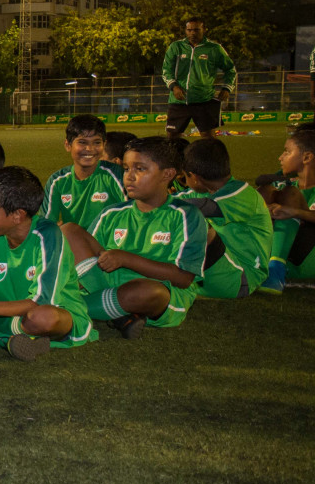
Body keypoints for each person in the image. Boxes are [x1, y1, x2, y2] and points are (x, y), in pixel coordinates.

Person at [61, 136, 207, 339]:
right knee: (69, 230)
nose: (129, 176)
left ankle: (68, 310)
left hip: (158, 288)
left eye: (140, 169)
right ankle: (115, 313)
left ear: (168, 174)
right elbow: (87, 259)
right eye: (127, 168)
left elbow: (183, 278)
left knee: (148, 293)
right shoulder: (112, 212)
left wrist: (126, 259)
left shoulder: (185, 215)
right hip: (109, 282)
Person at [0, 167, 96, 360]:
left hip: (50, 312)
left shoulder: (47, 235)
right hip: (3, 311)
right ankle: (10, 342)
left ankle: (4, 335)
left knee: (43, 318)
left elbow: (42, 300)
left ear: (18, 215)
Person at [172, 138, 274, 299]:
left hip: (241, 278)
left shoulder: (243, 193)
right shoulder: (201, 192)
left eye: (185, 177)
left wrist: (158, 203)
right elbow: (175, 199)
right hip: (216, 274)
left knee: (191, 220)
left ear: (195, 177)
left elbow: (207, 207)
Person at [40, 115, 127, 232]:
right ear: (68, 145)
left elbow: (133, 213)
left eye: (96, 142)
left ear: (104, 145)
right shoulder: (58, 181)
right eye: (82, 142)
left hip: (108, 245)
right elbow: (46, 224)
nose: (89, 148)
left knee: (67, 229)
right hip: (75, 245)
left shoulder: (115, 175)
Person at [161, 16, 236, 139]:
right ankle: (176, 158)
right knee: (172, 137)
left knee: (208, 137)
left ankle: (209, 158)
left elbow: (230, 70)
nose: (192, 33)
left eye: (196, 30)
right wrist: (174, 87)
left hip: (204, 100)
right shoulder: (176, 47)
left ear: (204, 29)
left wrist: (227, 88)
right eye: (189, 30)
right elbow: (166, 70)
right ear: (185, 31)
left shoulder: (215, 49)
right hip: (178, 100)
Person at [259, 127, 315, 292]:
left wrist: (293, 212)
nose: (280, 157)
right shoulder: (285, 182)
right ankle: (254, 260)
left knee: (290, 194)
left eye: (287, 152)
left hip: (308, 254)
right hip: (289, 250)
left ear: (306, 157)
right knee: (266, 190)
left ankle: (275, 268)